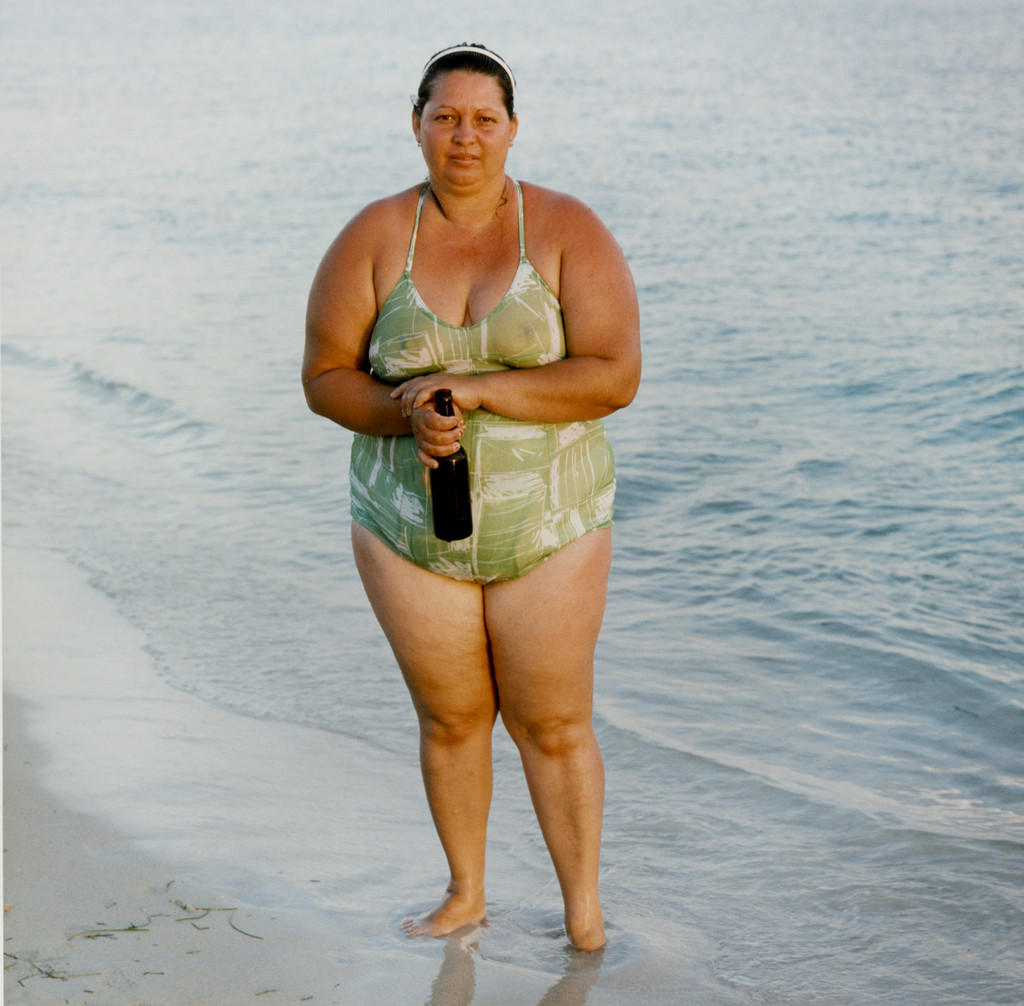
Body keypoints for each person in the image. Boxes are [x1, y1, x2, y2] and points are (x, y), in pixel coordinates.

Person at [302, 43, 640, 952]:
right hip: (407, 525)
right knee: (452, 721)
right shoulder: (374, 237)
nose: (464, 136)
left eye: (483, 119)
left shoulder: (567, 230)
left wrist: (484, 389)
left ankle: (584, 915)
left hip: (553, 523)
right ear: (415, 124)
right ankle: (466, 894)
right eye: (445, 117)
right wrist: (400, 412)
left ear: (513, 129)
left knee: (555, 722)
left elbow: (615, 375)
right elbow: (325, 378)